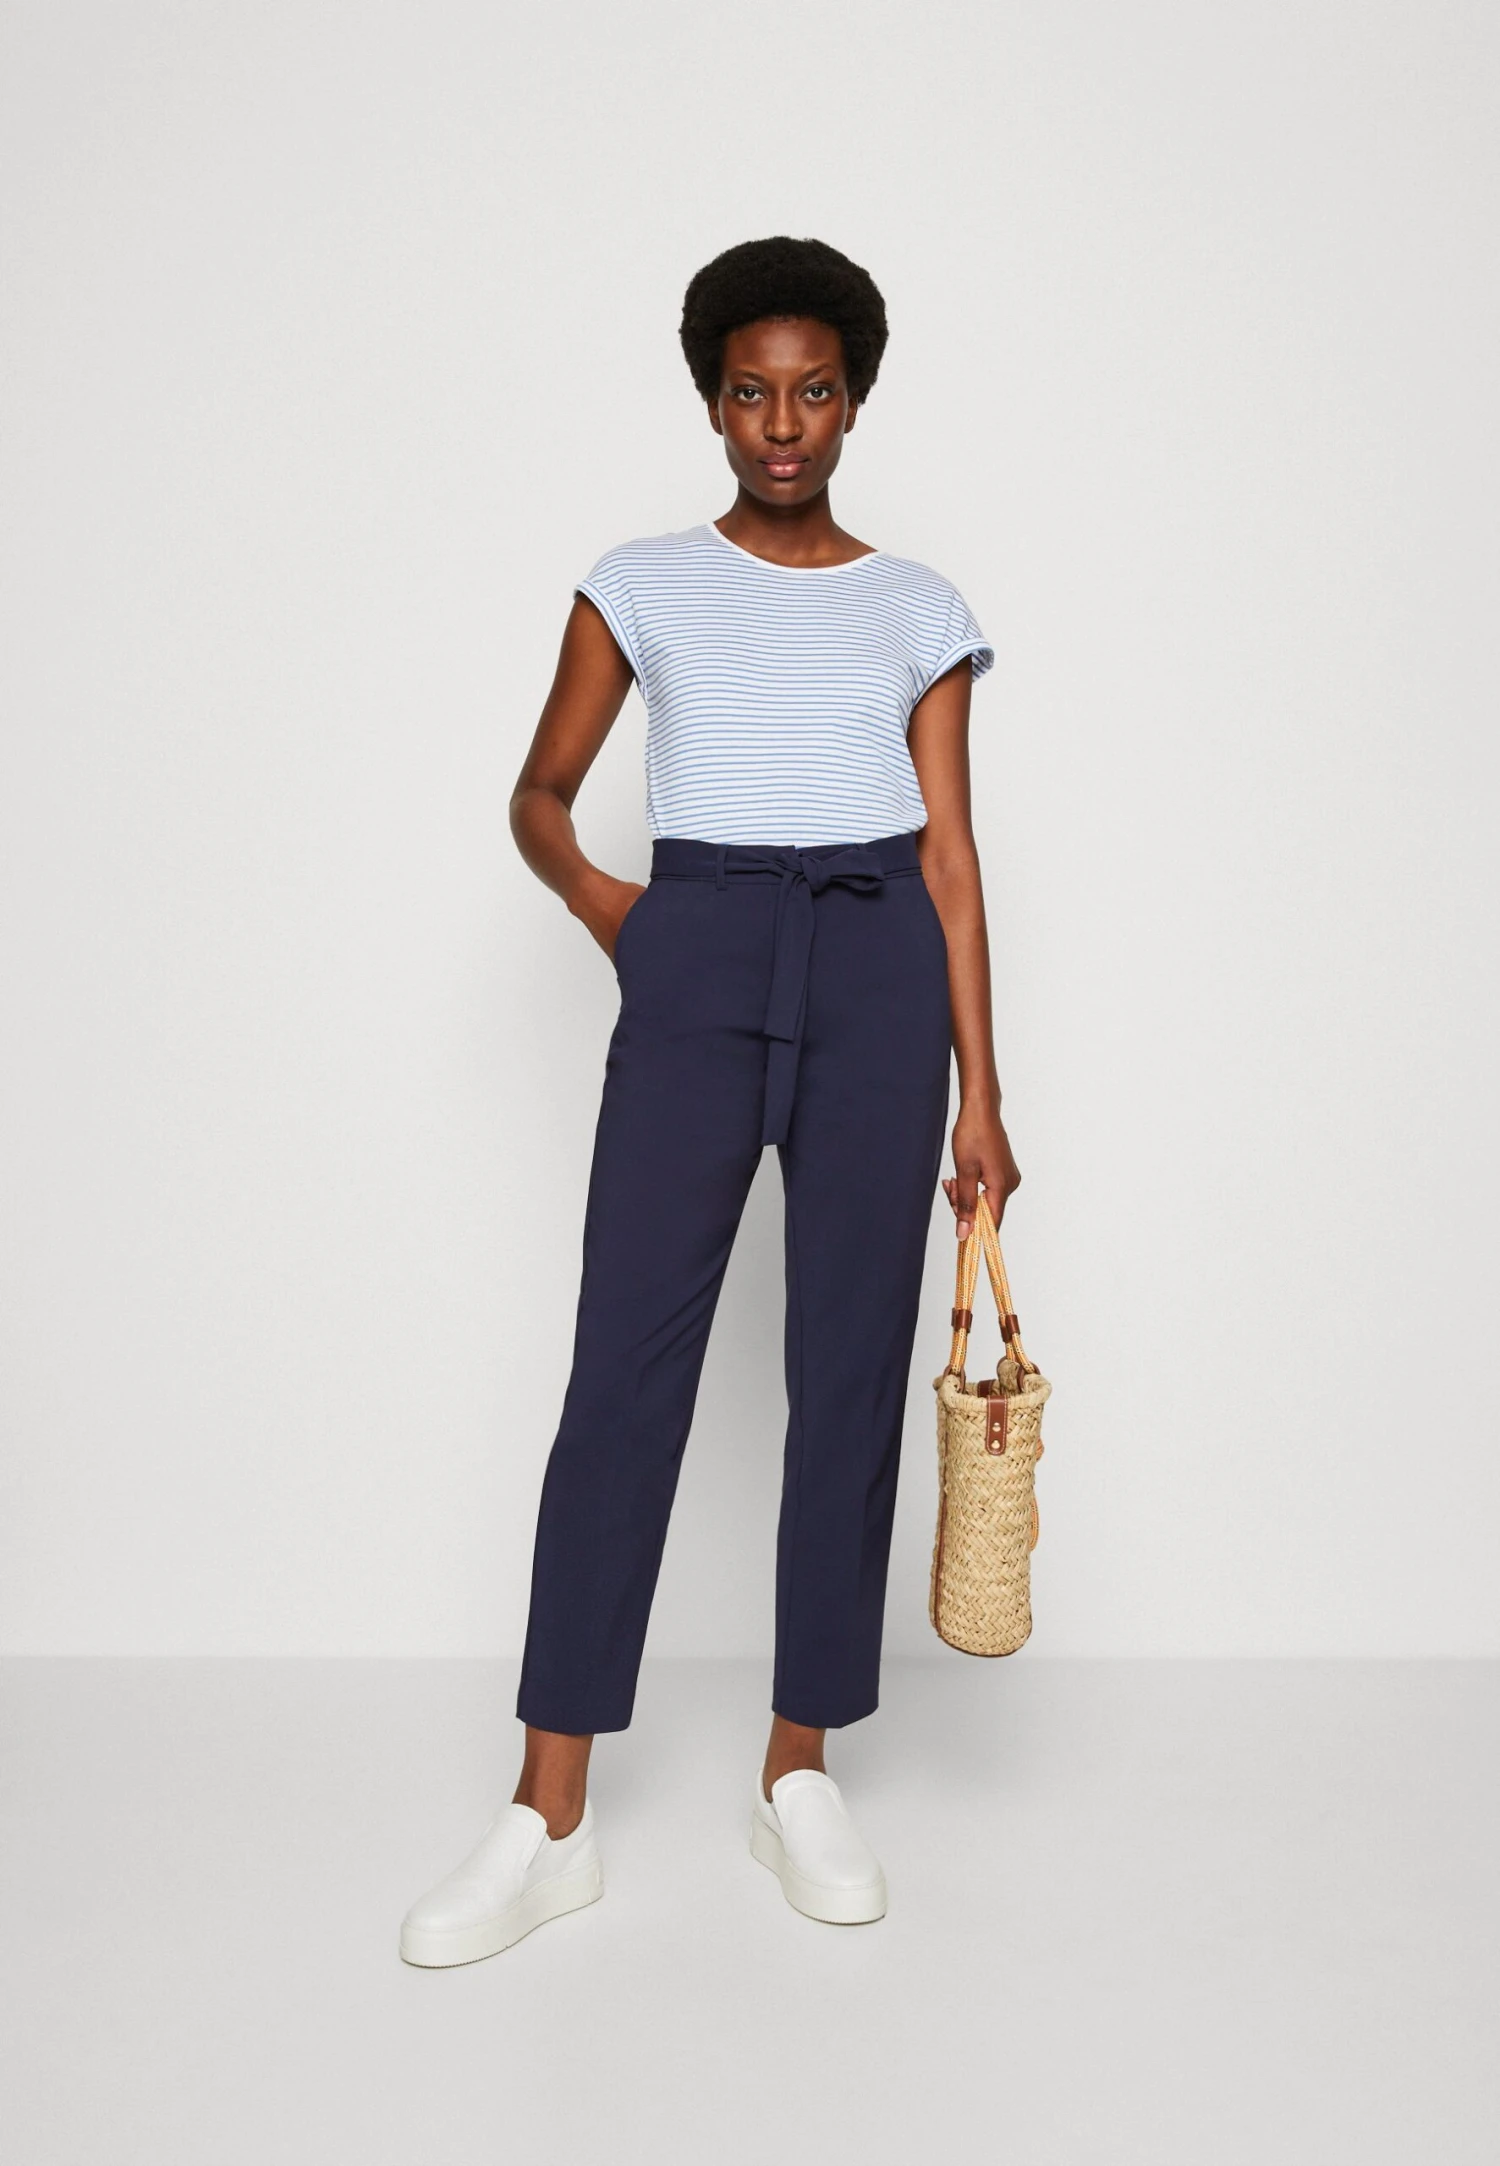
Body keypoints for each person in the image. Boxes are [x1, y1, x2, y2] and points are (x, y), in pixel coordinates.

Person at [399, 235, 1020, 1966]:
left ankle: (798, 1766)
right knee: (625, 1369)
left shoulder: (921, 607)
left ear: (855, 400)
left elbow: (953, 862)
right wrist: (624, 917)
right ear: (712, 401)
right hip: (700, 948)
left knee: (848, 1371)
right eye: (752, 391)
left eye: (813, 391)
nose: (782, 424)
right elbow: (540, 792)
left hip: (879, 963)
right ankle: (548, 1812)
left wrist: (982, 1096)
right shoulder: (640, 584)